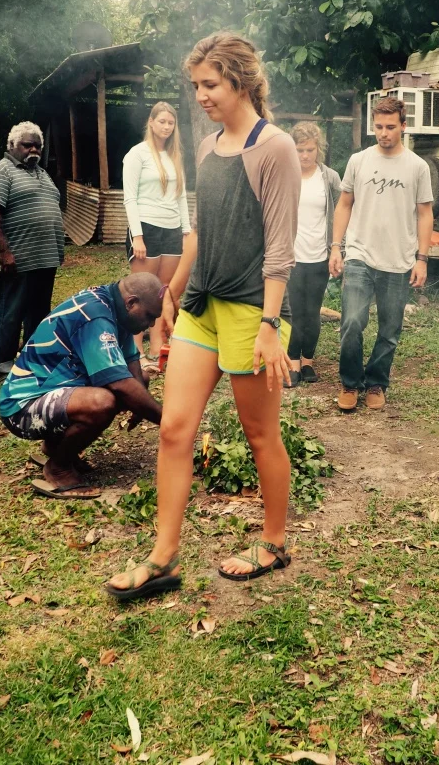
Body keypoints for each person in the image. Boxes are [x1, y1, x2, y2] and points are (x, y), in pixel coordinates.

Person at [106, 32, 300, 601]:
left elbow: (281, 248)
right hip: (202, 307)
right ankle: (164, 558)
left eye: (209, 84)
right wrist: (171, 297)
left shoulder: (276, 148)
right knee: (173, 427)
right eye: (195, 86)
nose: (200, 96)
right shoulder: (209, 147)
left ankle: (274, 540)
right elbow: (198, 235)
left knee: (261, 433)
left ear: (240, 80)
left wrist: (269, 327)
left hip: (250, 310)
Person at [0, 273, 164, 499]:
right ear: (131, 302)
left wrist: (140, 402)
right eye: (149, 316)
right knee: (103, 402)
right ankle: (59, 467)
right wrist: (168, 421)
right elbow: (120, 385)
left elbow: (131, 363)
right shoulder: (96, 316)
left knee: (140, 381)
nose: (151, 324)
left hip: (54, 394)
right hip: (21, 408)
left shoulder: (117, 310)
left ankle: (56, 446)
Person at [329, 96, 433, 412]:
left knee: (389, 330)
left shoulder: (418, 166)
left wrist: (422, 258)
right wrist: (336, 247)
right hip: (360, 254)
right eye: (378, 127)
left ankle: (376, 382)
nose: (384, 133)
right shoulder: (358, 161)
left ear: (403, 126)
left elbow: (425, 214)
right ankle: (350, 383)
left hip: (399, 259)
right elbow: (344, 204)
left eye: (390, 127)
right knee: (351, 322)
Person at [0, 122, 65, 381]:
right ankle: (4, 363)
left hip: (45, 257)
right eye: (27, 144)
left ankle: (31, 358)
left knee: (39, 311)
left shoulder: (42, 172)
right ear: (12, 146)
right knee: (11, 311)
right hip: (19, 257)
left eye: (37, 145)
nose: (34, 149)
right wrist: (5, 252)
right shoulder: (2, 171)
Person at [123, 101, 191, 372]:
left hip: (172, 228)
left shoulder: (175, 156)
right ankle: (135, 350)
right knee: (141, 290)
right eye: (161, 121)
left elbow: (182, 195)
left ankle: (158, 348)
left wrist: (185, 230)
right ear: (151, 123)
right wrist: (137, 236)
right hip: (146, 227)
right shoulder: (137, 154)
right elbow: (129, 198)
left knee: (165, 290)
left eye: (170, 123)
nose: (166, 126)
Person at [285, 122, 342, 388]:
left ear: (318, 149)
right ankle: (292, 360)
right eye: (299, 150)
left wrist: (336, 249)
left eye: (309, 150)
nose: (305, 155)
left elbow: (340, 213)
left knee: (312, 311)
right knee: (295, 311)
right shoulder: (285, 175)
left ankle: (308, 360)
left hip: (320, 254)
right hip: (291, 255)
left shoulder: (329, 177)